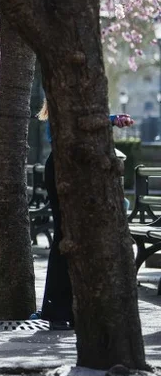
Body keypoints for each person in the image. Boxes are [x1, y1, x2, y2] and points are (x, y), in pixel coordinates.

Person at [36, 100, 133, 329]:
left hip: (69, 170)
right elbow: (76, 128)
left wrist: (111, 120)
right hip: (64, 170)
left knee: (71, 238)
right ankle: (58, 310)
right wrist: (110, 120)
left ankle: (64, 308)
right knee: (65, 237)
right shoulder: (61, 104)